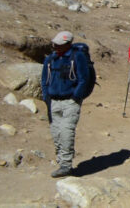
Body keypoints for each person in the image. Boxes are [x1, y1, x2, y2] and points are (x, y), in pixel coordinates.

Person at [40, 31, 91, 177]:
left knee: (66, 133)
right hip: (53, 101)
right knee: (56, 134)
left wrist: (76, 96)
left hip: (70, 102)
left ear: (68, 44)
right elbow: (44, 80)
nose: (55, 47)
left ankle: (66, 166)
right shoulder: (50, 59)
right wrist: (46, 97)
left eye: (59, 45)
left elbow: (83, 79)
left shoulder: (77, 57)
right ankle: (61, 161)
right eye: (54, 44)